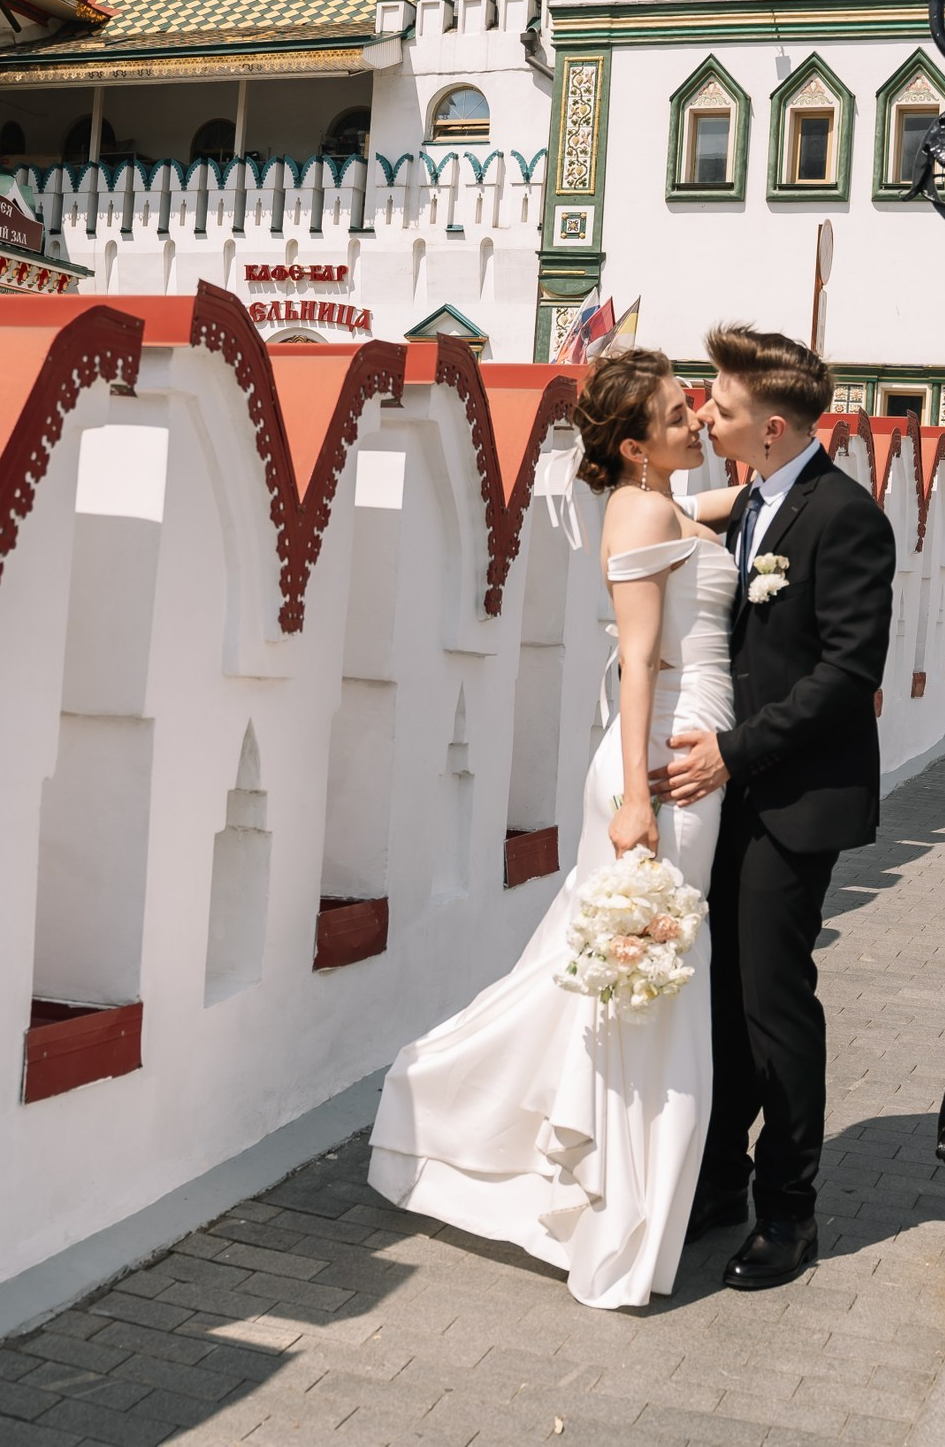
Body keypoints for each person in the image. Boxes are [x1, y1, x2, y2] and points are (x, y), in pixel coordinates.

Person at [367, 348, 736, 1309]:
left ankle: (617, 1188)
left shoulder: (661, 503)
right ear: (633, 445)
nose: (695, 418)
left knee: (629, 970)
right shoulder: (645, 509)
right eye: (675, 413)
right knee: (637, 968)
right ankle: (580, 1186)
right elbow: (643, 658)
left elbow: (711, 520)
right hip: (657, 764)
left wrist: (771, 486)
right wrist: (639, 797)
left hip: (670, 756)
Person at [657, 325, 896, 1292]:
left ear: (775, 424)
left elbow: (850, 673)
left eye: (719, 406)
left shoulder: (847, 517)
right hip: (730, 791)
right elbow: (644, 507)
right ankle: (716, 1180)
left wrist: (732, 750)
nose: (706, 415)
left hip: (794, 793)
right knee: (718, 996)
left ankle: (789, 1212)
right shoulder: (749, 498)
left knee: (773, 1004)